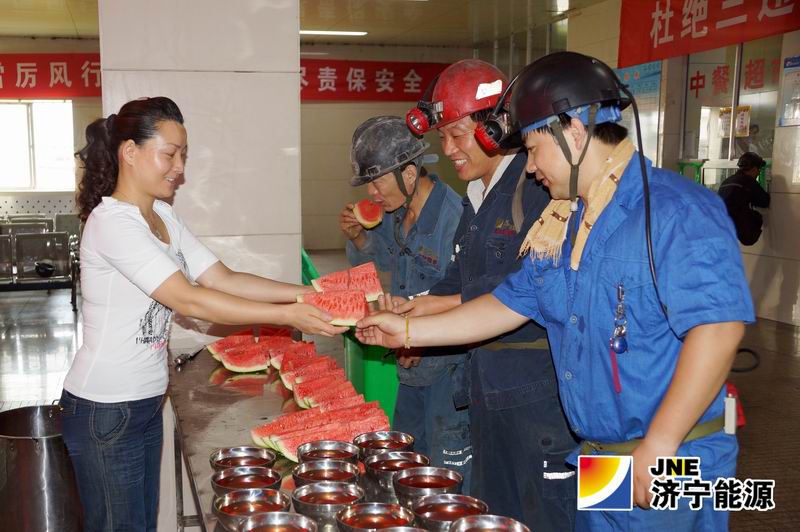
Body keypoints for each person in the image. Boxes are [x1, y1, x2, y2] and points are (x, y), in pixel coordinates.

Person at [359, 52, 754, 531]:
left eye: (533, 148)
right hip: (600, 455)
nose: (529, 168)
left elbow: (718, 329)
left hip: (674, 458)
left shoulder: (676, 211)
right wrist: (404, 330)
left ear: (574, 134)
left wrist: (662, 442)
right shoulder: (563, 225)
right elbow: (504, 304)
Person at [64, 96, 346, 531]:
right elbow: (190, 299)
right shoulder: (112, 223)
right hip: (106, 407)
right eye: (170, 154)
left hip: (143, 402)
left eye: (183, 155)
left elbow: (222, 278)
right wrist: (289, 316)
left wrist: (306, 294)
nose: (179, 168)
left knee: (140, 525)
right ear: (130, 152)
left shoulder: (162, 216)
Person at [401, 59, 577, 531]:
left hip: (537, 399)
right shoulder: (478, 195)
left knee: (547, 517)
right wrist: (413, 311)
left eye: (457, 135)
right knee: (496, 513)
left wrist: (418, 326)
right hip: (488, 391)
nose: (448, 150)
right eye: (442, 137)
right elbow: (460, 279)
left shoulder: (537, 189)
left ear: (495, 128)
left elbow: (515, 292)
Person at [339, 116, 470, 485]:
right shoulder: (395, 214)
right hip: (409, 369)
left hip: (448, 376)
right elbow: (382, 266)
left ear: (409, 174)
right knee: (405, 472)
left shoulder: (455, 219)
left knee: (447, 482)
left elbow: (467, 300)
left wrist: (420, 339)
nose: (372, 194)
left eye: (377, 182)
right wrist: (360, 238)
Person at [719, 151, 770, 246]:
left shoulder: (727, 181)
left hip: (721, 222)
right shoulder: (748, 181)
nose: (759, 172)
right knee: (756, 217)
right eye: (759, 169)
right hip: (738, 223)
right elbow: (764, 201)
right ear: (754, 168)